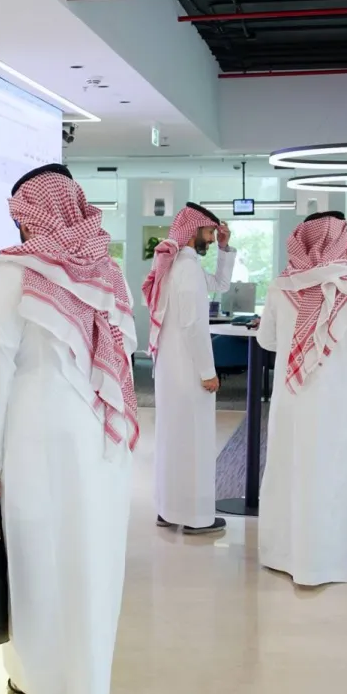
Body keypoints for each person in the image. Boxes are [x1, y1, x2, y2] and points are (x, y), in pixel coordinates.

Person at [0, 164, 138, 694]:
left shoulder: (14, 271)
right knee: (94, 561)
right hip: (103, 440)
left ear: (28, 215)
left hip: (39, 438)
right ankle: (88, 681)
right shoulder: (107, 271)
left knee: (42, 561)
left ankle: (40, 682)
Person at [256, 211, 347, 586]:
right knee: (329, 475)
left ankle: (281, 555)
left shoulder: (282, 284)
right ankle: (321, 563)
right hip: (337, 398)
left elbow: (266, 340)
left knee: (286, 469)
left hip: (289, 396)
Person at [144, 202, 236, 533]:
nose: (211, 239)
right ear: (193, 229)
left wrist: (225, 249)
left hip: (170, 368)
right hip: (187, 369)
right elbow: (194, 325)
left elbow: (221, 285)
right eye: (209, 232)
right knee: (194, 443)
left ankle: (169, 510)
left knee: (173, 440)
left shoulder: (177, 265)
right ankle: (196, 518)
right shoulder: (186, 268)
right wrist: (208, 372)